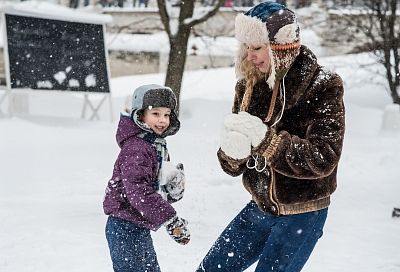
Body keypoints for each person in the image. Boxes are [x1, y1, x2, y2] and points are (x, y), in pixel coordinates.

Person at [197, 1, 345, 272]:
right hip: (260, 205)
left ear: (281, 47)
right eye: (245, 48)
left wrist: (269, 142)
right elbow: (234, 162)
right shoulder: (249, 84)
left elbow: (324, 157)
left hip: (303, 212)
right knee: (211, 269)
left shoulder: (323, 85)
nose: (249, 56)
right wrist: (232, 153)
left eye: (256, 48)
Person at [103, 84, 190, 272]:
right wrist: (170, 218)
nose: (162, 120)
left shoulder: (154, 145)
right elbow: (138, 192)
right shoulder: (137, 149)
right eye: (156, 114)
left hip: (138, 226)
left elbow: (151, 188)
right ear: (140, 115)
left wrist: (172, 190)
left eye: (167, 114)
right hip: (124, 227)